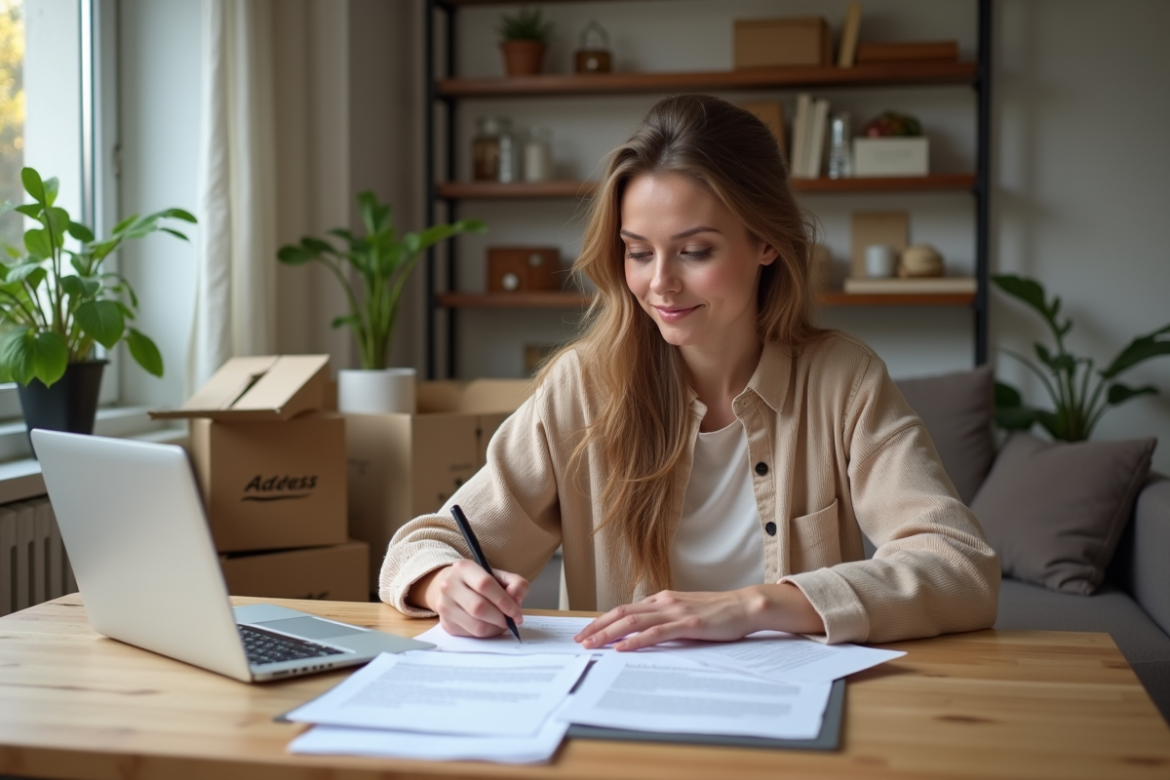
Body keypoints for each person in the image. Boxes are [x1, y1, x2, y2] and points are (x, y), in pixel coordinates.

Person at [380, 94, 999, 649]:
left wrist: (753, 606)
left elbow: (959, 565)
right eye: (638, 252)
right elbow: (422, 547)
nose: (660, 284)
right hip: (617, 716)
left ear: (766, 242)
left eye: (695, 251)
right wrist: (443, 584)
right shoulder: (582, 389)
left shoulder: (844, 382)